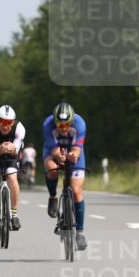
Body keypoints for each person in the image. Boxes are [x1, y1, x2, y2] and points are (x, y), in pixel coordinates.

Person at [43, 102, 88, 250]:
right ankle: (52, 196)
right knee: (53, 170)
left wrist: (73, 156)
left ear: (72, 121)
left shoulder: (80, 124)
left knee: (76, 190)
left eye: (67, 125)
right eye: (59, 125)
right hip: (53, 150)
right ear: (54, 121)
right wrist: (59, 156)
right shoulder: (48, 125)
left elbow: (77, 150)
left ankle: (80, 233)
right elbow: (54, 150)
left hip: (73, 150)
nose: (63, 128)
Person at [0, 105, 25, 230]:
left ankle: (14, 214)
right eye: (2, 121)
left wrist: (12, 148)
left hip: (12, 156)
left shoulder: (19, 128)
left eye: (9, 122)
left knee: (12, 178)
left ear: (13, 122)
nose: (5, 125)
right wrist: (1, 148)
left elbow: (16, 149)